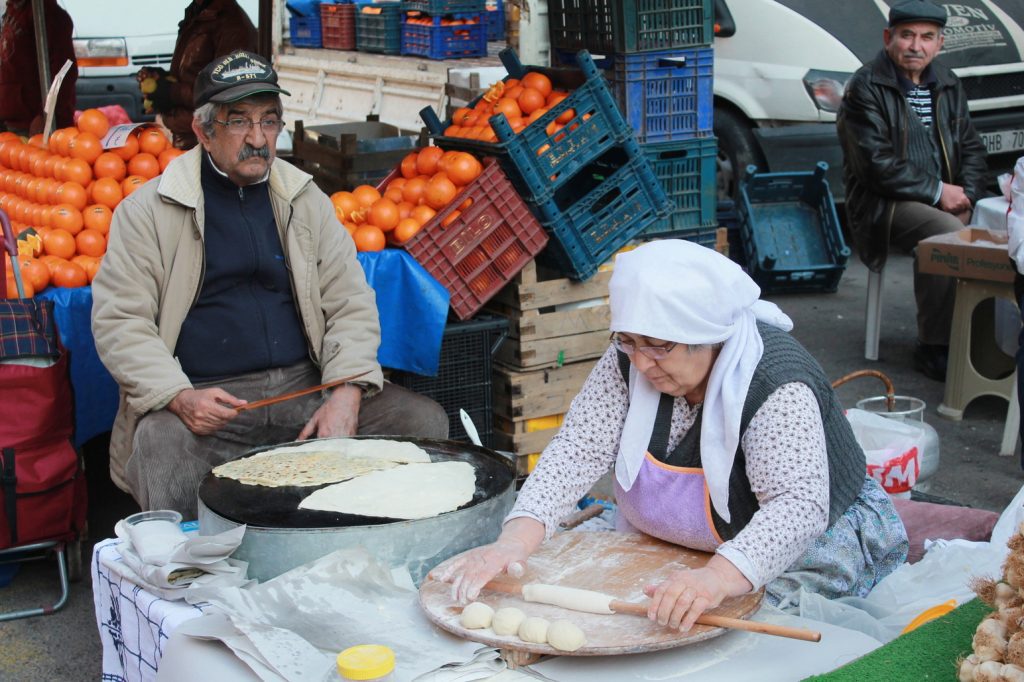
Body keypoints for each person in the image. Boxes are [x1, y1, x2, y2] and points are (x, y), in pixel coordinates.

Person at [436, 240, 908, 631]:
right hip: (677, 542)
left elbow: (796, 506)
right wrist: (513, 542)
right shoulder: (632, 356)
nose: (641, 363)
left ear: (710, 337)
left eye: (659, 347)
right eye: (629, 342)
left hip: (793, 544)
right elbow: (578, 448)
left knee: (732, 639)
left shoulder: (774, 384)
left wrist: (716, 580)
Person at [92, 50, 448, 519]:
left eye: (269, 121)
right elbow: (121, 321)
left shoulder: (304, 199)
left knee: (423, 422)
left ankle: (375, 555)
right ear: (203, 131)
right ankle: (190, 578)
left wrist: (345, 391)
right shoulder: (148, 212)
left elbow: (349, 301)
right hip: (211, 401)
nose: (258, 138)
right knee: (161, 442)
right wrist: (179, 396)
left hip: (305, 389)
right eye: (239, 122)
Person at [837, 0, 987, 382]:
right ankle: (936, 345)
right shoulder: (865, 86)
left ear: (939, 44)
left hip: (943, 198)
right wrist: (940, 193)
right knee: (947, 235)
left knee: (991, 231)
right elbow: (874, 165)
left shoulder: (948, 83)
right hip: (882, 203)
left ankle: (980, 341)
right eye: (906, 35)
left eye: (926, 37)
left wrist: (966, 194)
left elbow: (970, 147)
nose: (915, 46)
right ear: (889, 38)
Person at [137, 0, 257, 149]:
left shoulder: (232, 26)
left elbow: (227, 95)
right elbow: (192, 73)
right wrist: (161, 78)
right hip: (190, 139)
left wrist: (173, 92)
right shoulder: (199, 13)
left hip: (209, 144)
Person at [0, 0, 77, 135]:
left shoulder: (50, 15)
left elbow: (64, 71)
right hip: (11, 118)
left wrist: (44, 115)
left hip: (34, 124)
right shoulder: (12, 11)